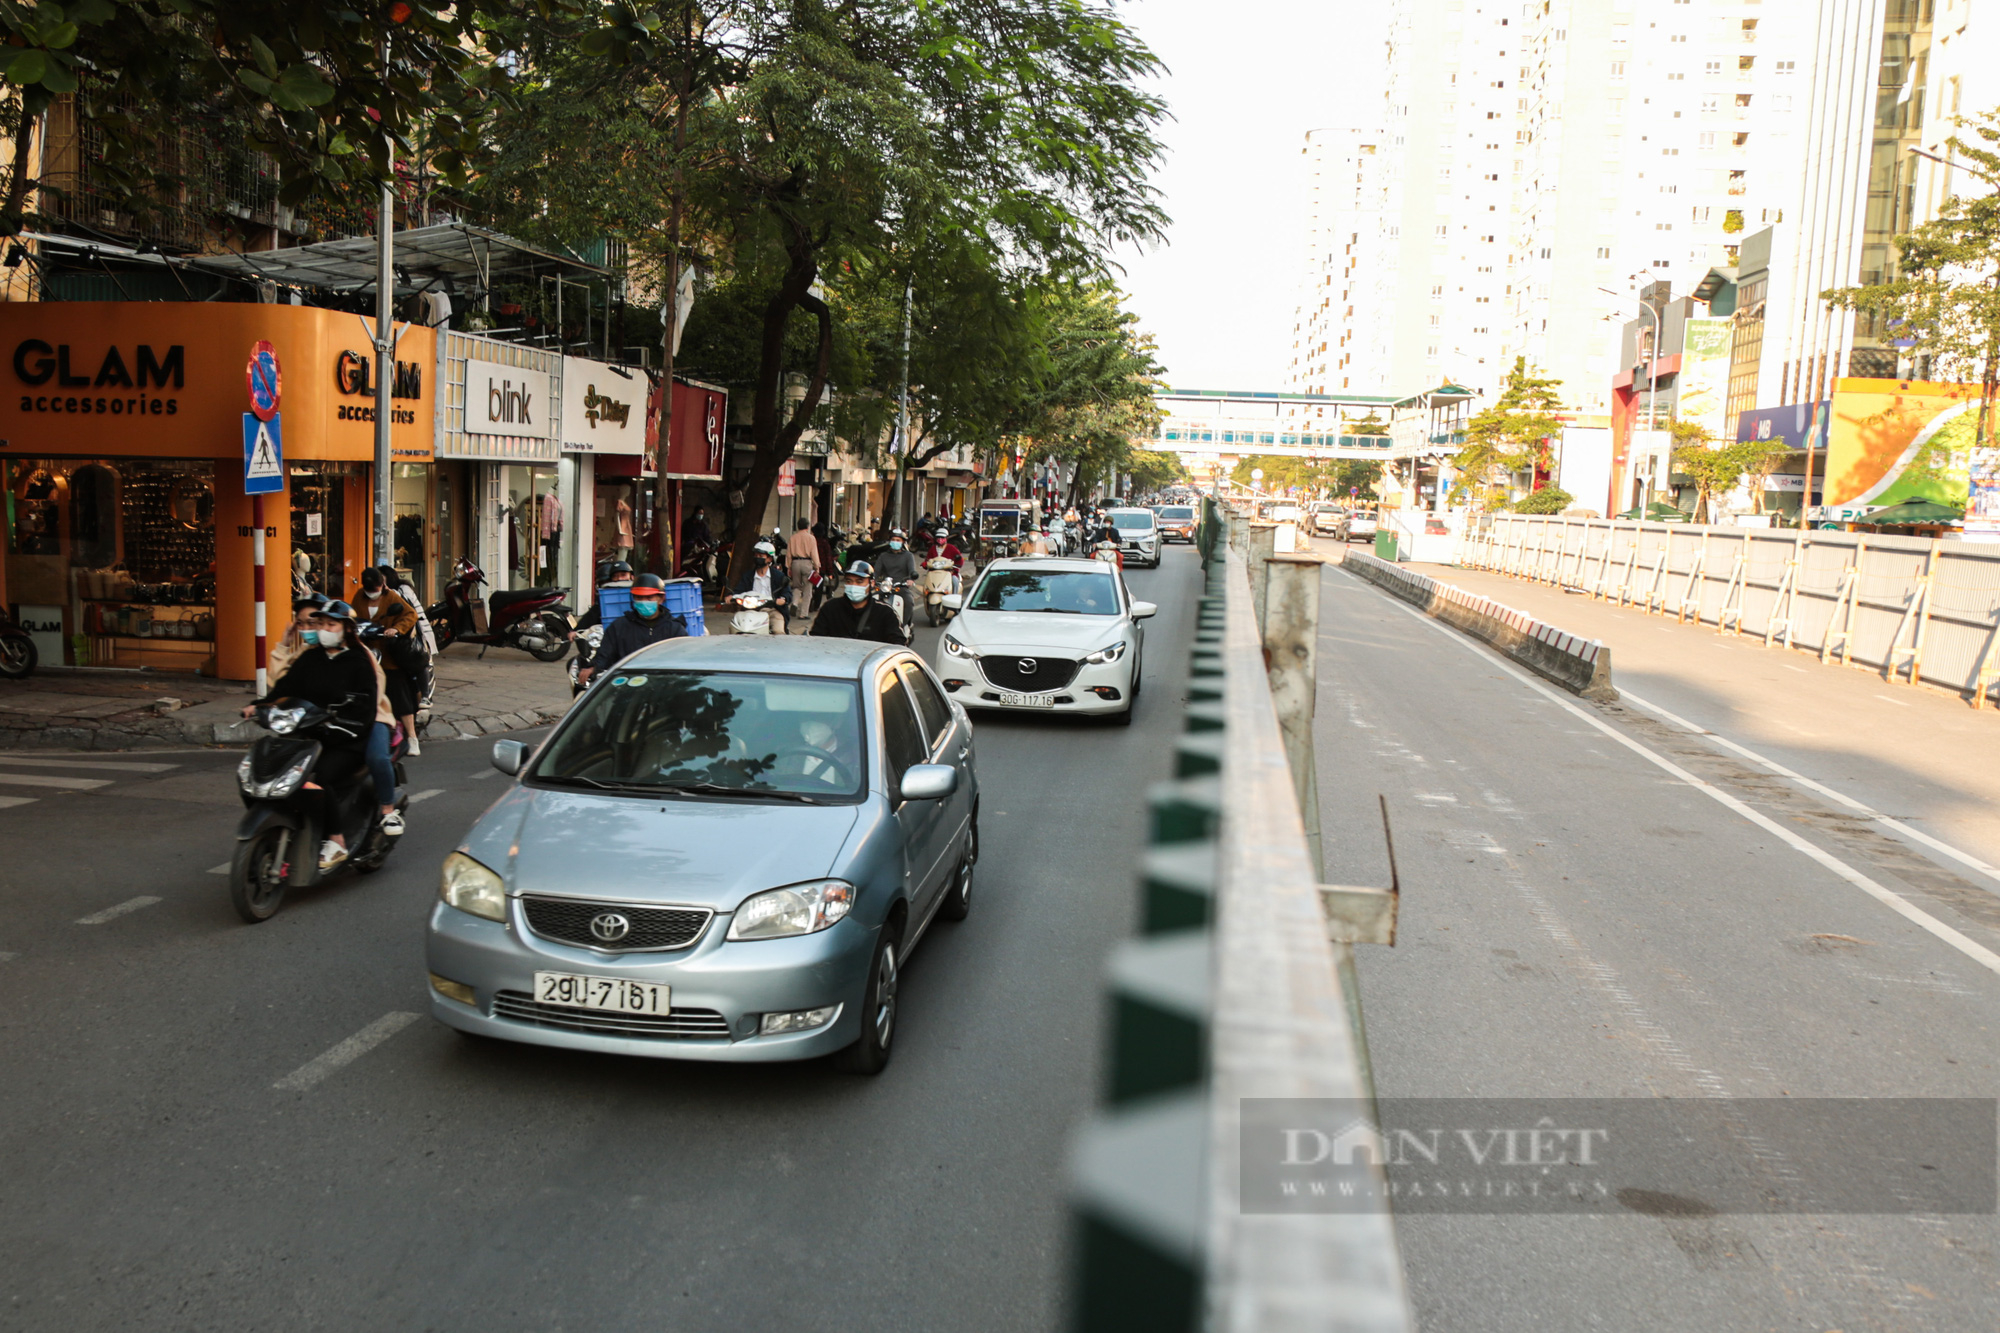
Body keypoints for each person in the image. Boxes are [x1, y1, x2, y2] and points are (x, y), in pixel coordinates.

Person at [244, 601, 401, 871]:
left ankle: (338, 840)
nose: (323, 629)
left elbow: (366, 706)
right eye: (321, 624)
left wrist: (343, 725)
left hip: (349, 734)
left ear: (346, 629)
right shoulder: (310, 657)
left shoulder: (360, 660)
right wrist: (260, 705)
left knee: (322, 776)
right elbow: (285, 685)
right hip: (314, 732)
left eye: (331, 624)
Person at [353, 566, 423, 756]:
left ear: (382, 585)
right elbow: (352, 618)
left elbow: (410, 615)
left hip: (389, 655)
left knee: (401, 697)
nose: (372, 594)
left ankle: (412, 737)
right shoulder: (359, 597)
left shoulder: (392, 597)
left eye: (375, 589)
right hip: (367, 653)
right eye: (369, 590)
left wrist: (397, 629)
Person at [580, 574, 687, 685]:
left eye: (649, 598)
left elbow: (684, 661)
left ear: (661, 599)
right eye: (639, 597)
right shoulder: (619, 626)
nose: (643, 601)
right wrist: (593, 667)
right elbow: (605, 655)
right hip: (627, 685)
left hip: (663, 685)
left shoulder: (675, 629)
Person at [809, 561, 907, 644]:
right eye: (849, 581)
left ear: (871, 583)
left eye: (859, 581)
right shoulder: (830, 608)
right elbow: (815, 641)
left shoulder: (885, 613)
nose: (853, 585)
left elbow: (898, 646)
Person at [728, 540, 796, 633]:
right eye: (756, 555)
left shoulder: (779, 576)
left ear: (769, 559)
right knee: (735, 626)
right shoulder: (748, 576)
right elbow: (739, 590)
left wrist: (783, 599)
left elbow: (787, 592)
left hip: (772, 610)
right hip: (750, 611)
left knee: (778, 631)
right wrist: (731, 596)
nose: (757, 558)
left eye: (761, 556)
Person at [870, 527, 920, 625]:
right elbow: (876, 572)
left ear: (902, 542)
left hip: (901, 586)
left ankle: (903, 625)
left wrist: (910, 580)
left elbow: (912, 571)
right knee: (870, 600)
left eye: (898, 540)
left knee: (909, 602)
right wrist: (872, 580)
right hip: (885, 587)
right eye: (893, 540)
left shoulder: (908, 556)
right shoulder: (883, 556)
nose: (895, 542)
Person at [573, 560, 634, 635]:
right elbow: (592, 615)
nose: (619, 579)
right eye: (615, 576)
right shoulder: (605, 596)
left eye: (623, 575)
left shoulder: (637, 592)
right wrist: (577, 630)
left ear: (631, 576)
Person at [786, 517, 820, 620]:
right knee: (807, 589)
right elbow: (814, 553)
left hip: (795, 563)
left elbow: (788, 554)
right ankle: (803, 613)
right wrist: (817, 567)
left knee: (796, 586)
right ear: (808, 526)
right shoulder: (811, 538)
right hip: (807, 563)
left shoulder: (792, 538)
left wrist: (788, 566)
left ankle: (795, 603)